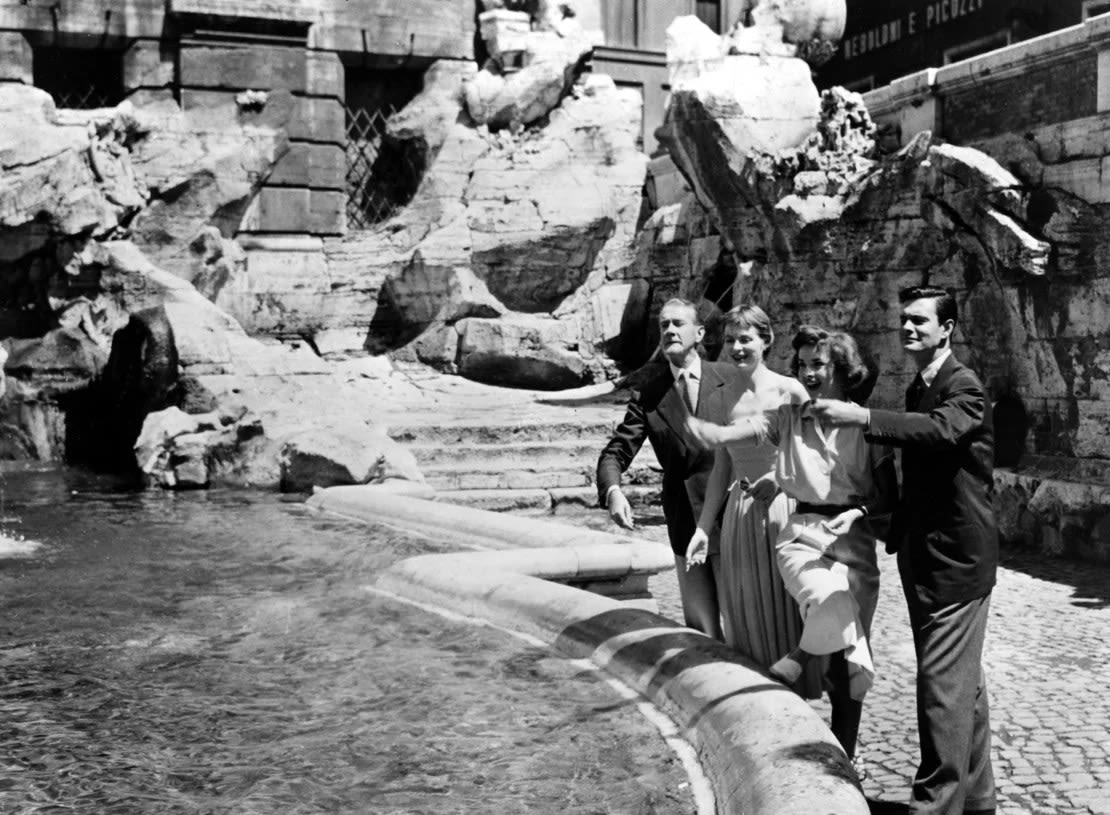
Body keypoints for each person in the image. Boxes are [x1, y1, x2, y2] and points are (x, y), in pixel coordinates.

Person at [812, 286, 997, 815]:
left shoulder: (963, 386)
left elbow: (940, 433)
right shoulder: (921, 385)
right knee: (964, 690)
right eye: (905, 321)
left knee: (941, 691)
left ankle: (934, 805)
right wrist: (870, 514)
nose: (909, 329)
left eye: (920, 321)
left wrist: (864, 419)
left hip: (957, 564)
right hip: (925, 559)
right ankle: (979, 801)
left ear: (948, 329)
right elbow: (923, 482)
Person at [686, 326, 896, 760]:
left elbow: (886, 499)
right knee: (831, 602)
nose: (807, 373)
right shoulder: (791, 417)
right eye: (801, 364)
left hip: (853, 543)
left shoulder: (869, 427)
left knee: (847, 657)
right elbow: (752, 430)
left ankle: (845, 754)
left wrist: (856, 513)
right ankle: (798, 666)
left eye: (817, 364)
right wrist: (717, 435)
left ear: (841, 368)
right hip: (802, 536)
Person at [683, 305, 824, 698]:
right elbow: (721, 470)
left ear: (766, 341)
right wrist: (703, 529)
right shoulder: (722, 397)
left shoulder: (789, 390)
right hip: (740, 517)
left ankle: (800, 704)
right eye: (730, 340)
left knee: (786, 612)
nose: (737, 348)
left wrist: (779, 478)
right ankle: (759, 704)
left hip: (784, 514)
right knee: (745, 614)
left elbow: (814, 456)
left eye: (746, 339)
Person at [596, 298, 738, 638]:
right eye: (664, 325)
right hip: (685, 519)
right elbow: (616, 452)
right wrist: (614, 491)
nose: (670, 330)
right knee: (701, 628)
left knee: (742, 623)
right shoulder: (647, 395)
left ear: (700, 333)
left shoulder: (732, 379)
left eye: (678, 323)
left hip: (734, 516)